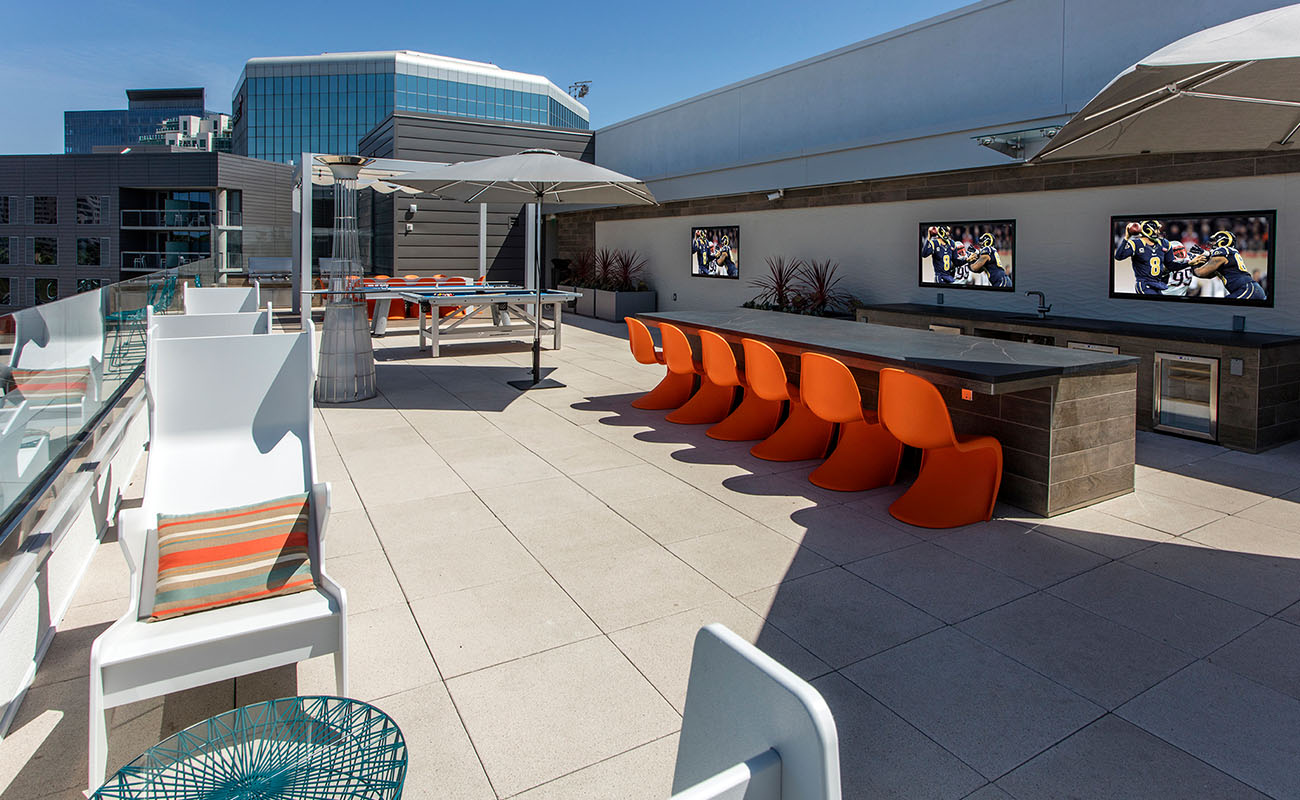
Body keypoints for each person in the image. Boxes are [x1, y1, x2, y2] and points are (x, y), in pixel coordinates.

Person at [1192, 229, 1267, 300]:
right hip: (1250, 289)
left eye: (1214, 241)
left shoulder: (1224, 251)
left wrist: (1192, 263)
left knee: (1223, 306)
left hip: (1246, 289)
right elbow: (1207, 274)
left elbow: (1200, 272)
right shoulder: (1228, 254)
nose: (1212, 243)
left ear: (1222, 241)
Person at [1114, 220, 1180, 295]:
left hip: (1158, 284)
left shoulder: (1163, 243)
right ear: (1149, 230)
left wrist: (1188, 264)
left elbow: (1170, 265)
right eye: (1156, 229)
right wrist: (1126, 238)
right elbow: (1118, 256)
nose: (1159, 232)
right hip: (1145, 285)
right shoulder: (1136, 244)